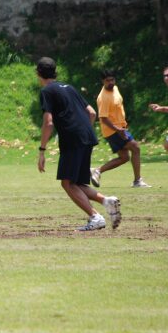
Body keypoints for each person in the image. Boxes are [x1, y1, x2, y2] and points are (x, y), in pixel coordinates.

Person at [36, 57, 121, 232]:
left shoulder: (46, 91)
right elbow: (91, 113)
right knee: (78, 183)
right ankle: (107, 201)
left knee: (67, 183)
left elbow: (49, 123)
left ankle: (95, 217)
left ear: (38, 73)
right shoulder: (69, 87)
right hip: (87, 137)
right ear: (55, 71)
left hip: (73, 139)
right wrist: (82, 131)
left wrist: (42, 150)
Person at [91, 70, 151, 188]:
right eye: (107, 80)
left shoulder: (115, 89)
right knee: (136, 147)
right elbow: (103, 118)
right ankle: (137, 181)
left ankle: (97, 171)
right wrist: (118, 130)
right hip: (113, 130)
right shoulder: (103, 97)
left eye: (112, 79)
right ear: (102, 81)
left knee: (124, 158)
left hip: (119, 128)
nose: (111, 82)